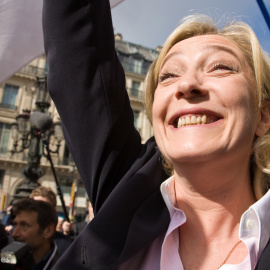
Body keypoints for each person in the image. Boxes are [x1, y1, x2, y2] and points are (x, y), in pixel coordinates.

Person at [42, 0, 270, 269]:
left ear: (263, 116)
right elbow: (77, 53)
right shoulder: (127, 190)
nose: (186, 84)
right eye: (169, 75)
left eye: (220, 67)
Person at [11, 198, 60, 270]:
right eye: (15, 224)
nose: (14, 234)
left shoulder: (65, 265)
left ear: (48, 231)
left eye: (24, 225)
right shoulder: (9, 261)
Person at [29, 186, 73, 254]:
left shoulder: (66, 246)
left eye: (44, 207)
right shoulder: (18, 238)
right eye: (34, 207)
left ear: (54, 210)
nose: (38, 211)